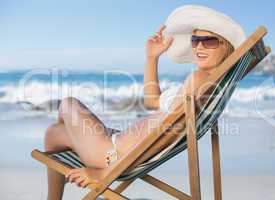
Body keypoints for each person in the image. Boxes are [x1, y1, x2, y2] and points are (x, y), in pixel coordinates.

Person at [43, 5, 245, 200]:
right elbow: (153, 101)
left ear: (226, 46)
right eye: (195, 40)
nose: (199, 46)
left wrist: (104, 174)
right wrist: (152, 57)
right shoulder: (209, 82)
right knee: (53, 133)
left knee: (68, 104)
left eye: (209, 41)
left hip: (111, 156)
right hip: (115, 145)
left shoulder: (200, 80)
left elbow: (170, 131)